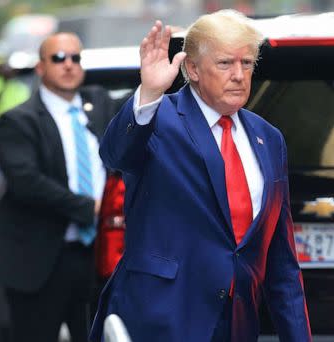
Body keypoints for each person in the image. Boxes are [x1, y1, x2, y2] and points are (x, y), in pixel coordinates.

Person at [90, 10, 312, 342]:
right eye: (225, 63)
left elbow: (281, 262)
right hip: (161, 320)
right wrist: (148, 93)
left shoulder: (269, 138)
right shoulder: (158, 118)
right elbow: (115, 154)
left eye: (247, 63)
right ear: (192, 69)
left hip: (237, 325)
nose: (239, 75)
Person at [0, 32, 116, 342]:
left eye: (75, 58)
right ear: (41, 67)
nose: (68, 65)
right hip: (38, 262)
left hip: (98, 257)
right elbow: (27, 182)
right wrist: (90, 207)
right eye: (58, 58)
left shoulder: (100, 104)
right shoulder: (18, 120)